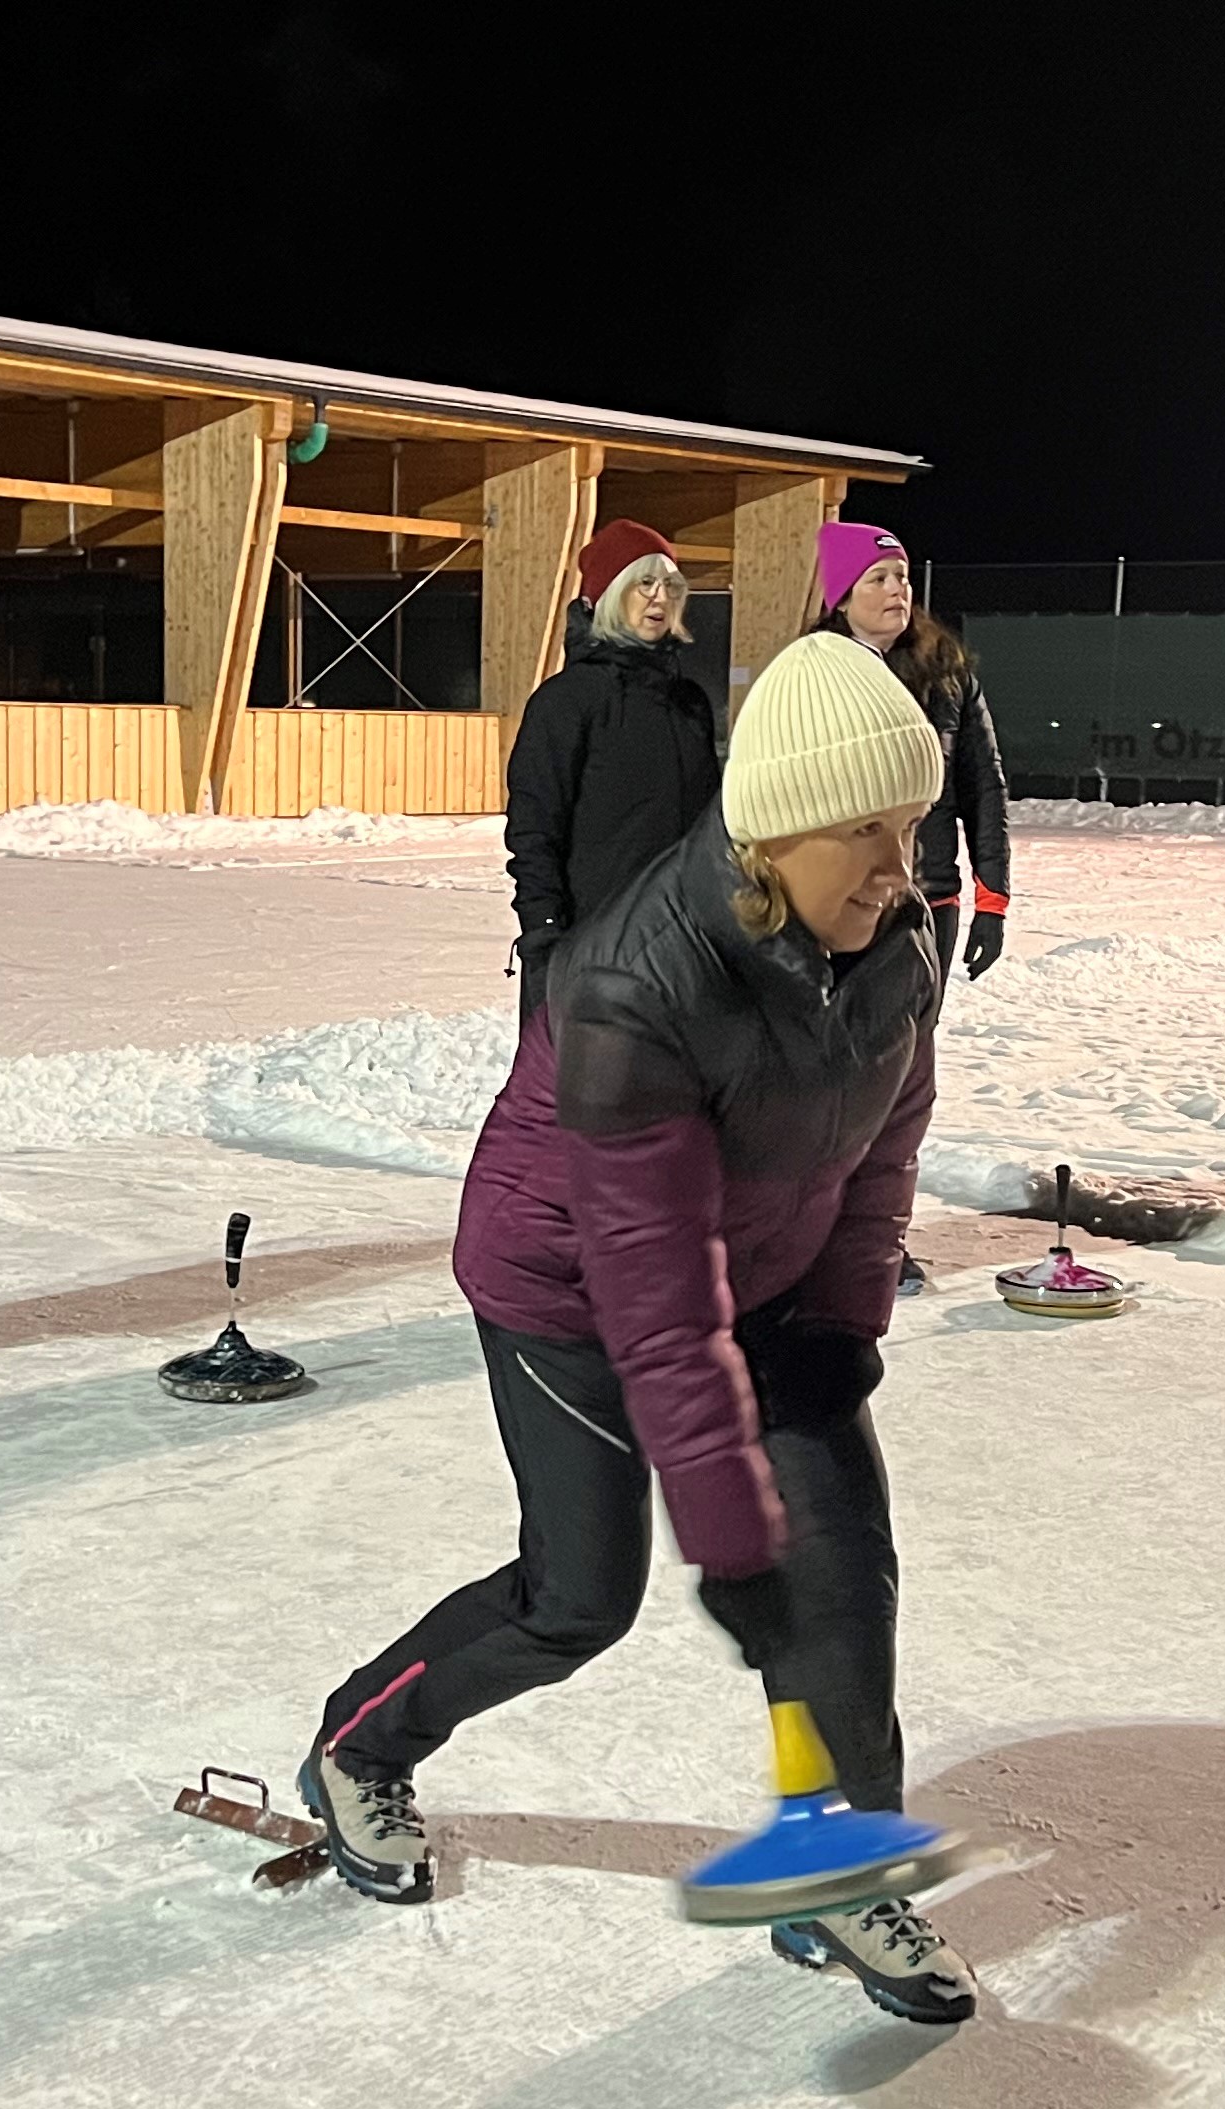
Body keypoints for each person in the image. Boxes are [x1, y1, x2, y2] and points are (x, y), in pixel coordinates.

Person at [302, 631, 982, 2024]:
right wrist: (728, 1539)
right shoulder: (633, 984)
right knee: (580, 1598)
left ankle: (839, 1870)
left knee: (840, 1583)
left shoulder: (895, 944)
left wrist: (838, 1332)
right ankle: (360, 1747)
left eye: (909, 826)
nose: (897, 865)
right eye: (864, 829)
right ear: (774, 828)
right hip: (567, 1291)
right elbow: (655, 1298)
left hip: (772, 1286)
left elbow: (882, 1153)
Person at [500, 519, 718, 1021]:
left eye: (670, 586)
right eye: (644, 583)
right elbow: (534, 828)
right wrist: (544, 929)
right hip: (589, 945)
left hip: (681, 945)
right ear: (609, 594)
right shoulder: (566, 701)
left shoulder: (689, 703)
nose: (660, 597)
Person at [805, 522, 1009, 990]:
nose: (897, 588)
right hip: (841, 903)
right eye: (878, 578)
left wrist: (992, 901)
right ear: (842, 599)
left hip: (930, 898)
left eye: (902, 576)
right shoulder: (812, 675)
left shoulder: (947, 675)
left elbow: (984, 788)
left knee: (918, 1034)